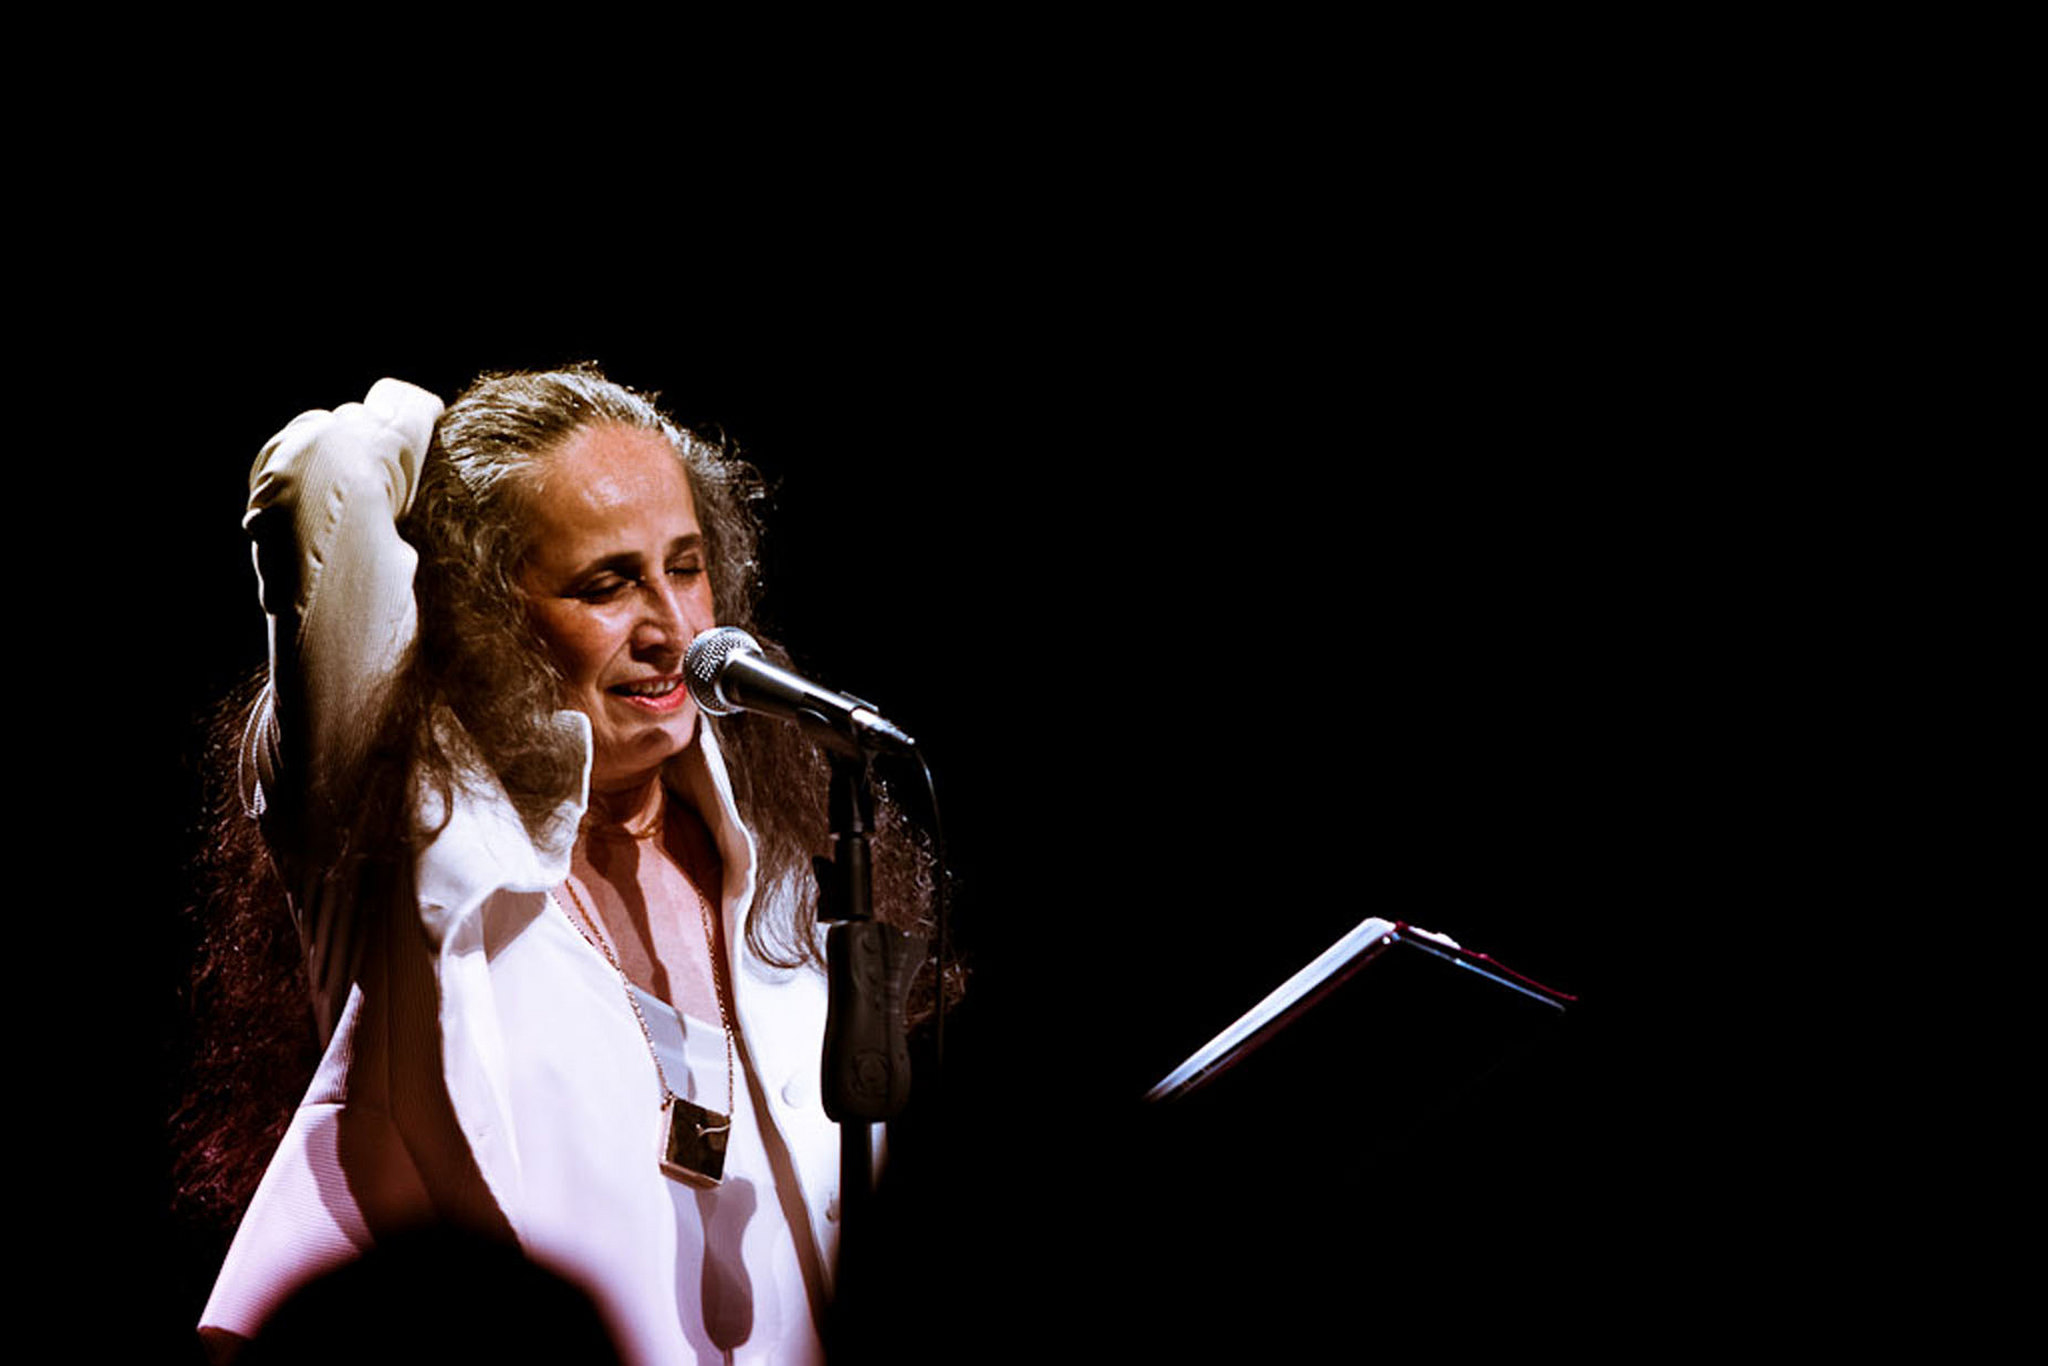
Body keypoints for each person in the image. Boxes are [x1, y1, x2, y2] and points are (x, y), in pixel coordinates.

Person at [187, 368, 932, 1364]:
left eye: (685, 567)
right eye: (607, 584)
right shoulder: (407, 819)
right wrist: (453, 463)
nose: (673, 630)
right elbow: (329, 476)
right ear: (480, 610)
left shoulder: (778, 859)